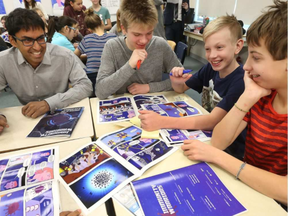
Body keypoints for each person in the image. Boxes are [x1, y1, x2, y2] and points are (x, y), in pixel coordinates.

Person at [181, 0, 287, 208]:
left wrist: (220, 158)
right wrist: (247, 99)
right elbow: (219, 142)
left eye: (255, 58)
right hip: (248, 188)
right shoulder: (261, 94)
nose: (246, 66)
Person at [139, 15, 246, 159]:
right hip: (208, 137)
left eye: (219, 47)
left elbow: (211, 121)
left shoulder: (240, 81)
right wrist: (176, 81)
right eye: (207, 49)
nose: (212, 55)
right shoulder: (210, 68)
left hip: (228, 150)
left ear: (238, 46)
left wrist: (161, 121)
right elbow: (181, 89)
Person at [0, 8, 93, 119]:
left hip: (62, 112)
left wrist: (48, 103)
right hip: (27, 118)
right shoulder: (4, 61)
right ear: (12, 41)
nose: (37, 47)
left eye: (40, 38)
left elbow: (86, 86)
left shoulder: (64, 55)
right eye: (27, 41)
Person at [96, 0, 182, 99]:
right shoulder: (112, 47)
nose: (144, 40)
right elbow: (100, 91)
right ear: (123, 29)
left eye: (149, 33)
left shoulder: (160, 44)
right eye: (137, 34)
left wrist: (149, 87)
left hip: (154, 106)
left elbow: (181, 80)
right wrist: (129, 66)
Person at [74, 8, 116, 95]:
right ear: (101, 22)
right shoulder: (112, 37)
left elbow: (74, 56)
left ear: (89, 29)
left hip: (91, 75)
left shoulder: (86, 39)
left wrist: (89, 56)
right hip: (109, 74)